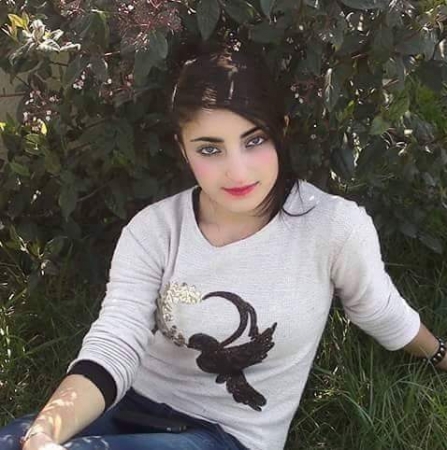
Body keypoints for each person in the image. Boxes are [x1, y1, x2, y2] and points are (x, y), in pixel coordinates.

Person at [1, 45, 446, 450]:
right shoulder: (155, 229)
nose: (238, 171)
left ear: (281, 131)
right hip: (128, 404)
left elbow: (379, 308)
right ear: (183, 149)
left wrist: (440, 353)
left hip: (226, 435)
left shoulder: (332, 227)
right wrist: (44, 433)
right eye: (210, 149)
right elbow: (116, 339)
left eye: (254, 140)